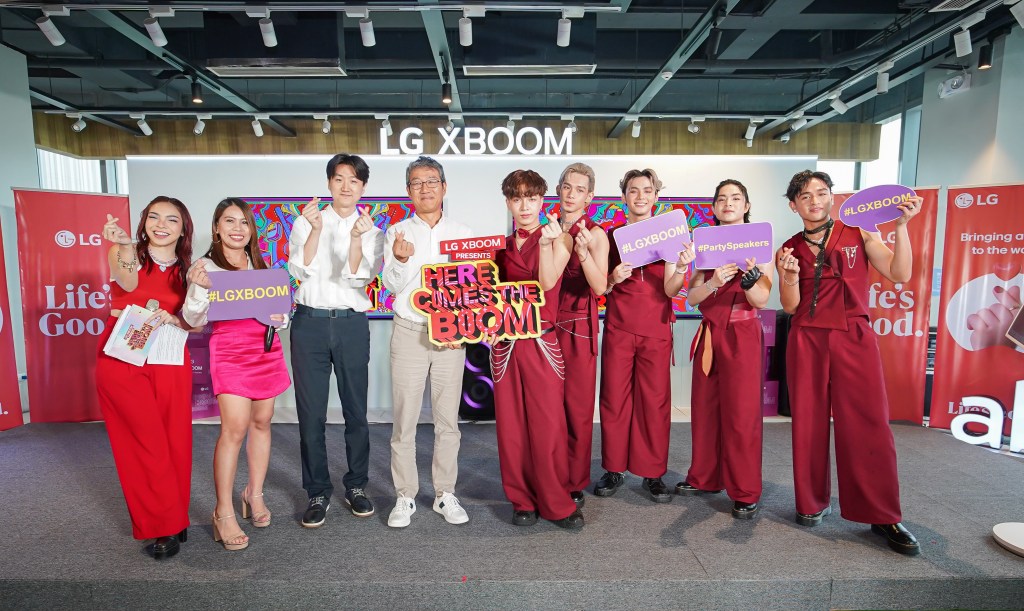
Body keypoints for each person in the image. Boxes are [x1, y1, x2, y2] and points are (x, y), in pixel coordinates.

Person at [776, 169, 922, 555]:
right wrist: (788, 276)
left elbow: (900, 273)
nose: (815, 201)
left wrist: (902, 227)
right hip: (807, 338)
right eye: (805, 196)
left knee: (869, 423)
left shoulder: (859, 231)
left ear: (832, 197)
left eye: (821, 193)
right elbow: (790, 306)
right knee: (807, 422)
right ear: (793, 205)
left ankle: (883, 513)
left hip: (854, 335)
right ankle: (811, 502)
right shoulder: (788, 249)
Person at [182, 198, 292, 550]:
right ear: (216, 227)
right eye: (229, 221)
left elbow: (279, 312)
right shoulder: (205, 267)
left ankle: (253, 494)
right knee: (234, 428)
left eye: (244, 222)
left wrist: (281, 317)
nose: (237, 228)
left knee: (262, 421)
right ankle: (223, 511)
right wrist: (199, 289)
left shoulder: (260, 264)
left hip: (265, 349)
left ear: (251, 230)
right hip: (229, 351)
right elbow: (193, 319)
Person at [287, 154, 385, 527]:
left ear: (363, 187)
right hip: (309, 323)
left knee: (356, 411)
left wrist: (356, 238)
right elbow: (300, 269)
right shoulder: (306, 220)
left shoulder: (371, 230)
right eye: (339, 178)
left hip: (351, 325)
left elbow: (358, 278)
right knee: (310, 414)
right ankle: (317, 491)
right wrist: (315, 230)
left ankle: (356, 486)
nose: (346, 186)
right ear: (329, 182)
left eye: (354, 180)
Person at [96, 196, 194, 560]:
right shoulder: (126, 254)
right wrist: (124, 244)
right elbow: (126, 279)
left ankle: (176, 515)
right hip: (124, 354)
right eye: (154, 217)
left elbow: (196, 321)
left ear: (183, 229)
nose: (161, 224)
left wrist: (178, 320)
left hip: (169, 353)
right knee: (143, 442)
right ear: (144, 222)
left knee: (174, 438)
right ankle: (162, 524)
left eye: (171, 219)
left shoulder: (190, 269)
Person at [381, 156, 474, 528]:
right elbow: (391, 285)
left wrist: (463, 328)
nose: (425, 188)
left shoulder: (464, 233)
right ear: (408, 191)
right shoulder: (397, 233)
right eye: (417, 183)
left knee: (447, 420)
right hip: (410, 331)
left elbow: (473, 289)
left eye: (432, 181)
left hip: (451, 335)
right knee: (404, 419)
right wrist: (401, 260)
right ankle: (405, 495)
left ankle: (444, 493)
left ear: (444, 187)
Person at [488, 169, 583, 529]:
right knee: (511, 427)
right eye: (517, 198)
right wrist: (486, 325)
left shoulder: (559, 238)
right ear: (508, 202)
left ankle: (556, 502)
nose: (524, 206)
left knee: (548, 426)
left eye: (531, 198)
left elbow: (546, 282)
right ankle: (521, 500)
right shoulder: (500, 248)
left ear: (543, 200)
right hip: (506, 345)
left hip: (542, 341)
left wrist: (546, 244)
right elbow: (488, 297)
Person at [675, 179, 773, 520]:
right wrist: (714, 283)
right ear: (715, 207)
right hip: (709, 333)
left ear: (746, 205)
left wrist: (750, 278)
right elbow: (692, 298)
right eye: (721, 199)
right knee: (705, 409)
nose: (728, 203)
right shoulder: (704, 243)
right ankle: (705, 477)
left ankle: (745, 490)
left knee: (742, 414)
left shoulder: (759, 242)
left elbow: (762, 299)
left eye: (735, 198)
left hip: (742, 333)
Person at [595, 168, 688, 503]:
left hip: (656, 326)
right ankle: (614, 468)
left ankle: (653, 472)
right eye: (633, 190)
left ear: (656, 196)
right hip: (619, 326)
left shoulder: (671, 234)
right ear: (624, 196)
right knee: (614, 399)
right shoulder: (611, 237)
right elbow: (600, 287)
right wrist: (613, 278)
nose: (640, 196)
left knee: (655, 401)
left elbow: (672, 289)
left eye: (647, 190)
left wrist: (680, 268)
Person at [553, 163, 609, 507]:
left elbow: (601, 286)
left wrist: (584, 254)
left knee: (576, 407)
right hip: (544, 326)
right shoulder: (545, 228)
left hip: (578, 328)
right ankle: (548, 474)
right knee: (547, 408)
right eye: (567, 187)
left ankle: (574, 480)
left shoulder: (596, 234)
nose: (571, 194)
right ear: (558, 189)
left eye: (579, 189)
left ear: (589, 197)